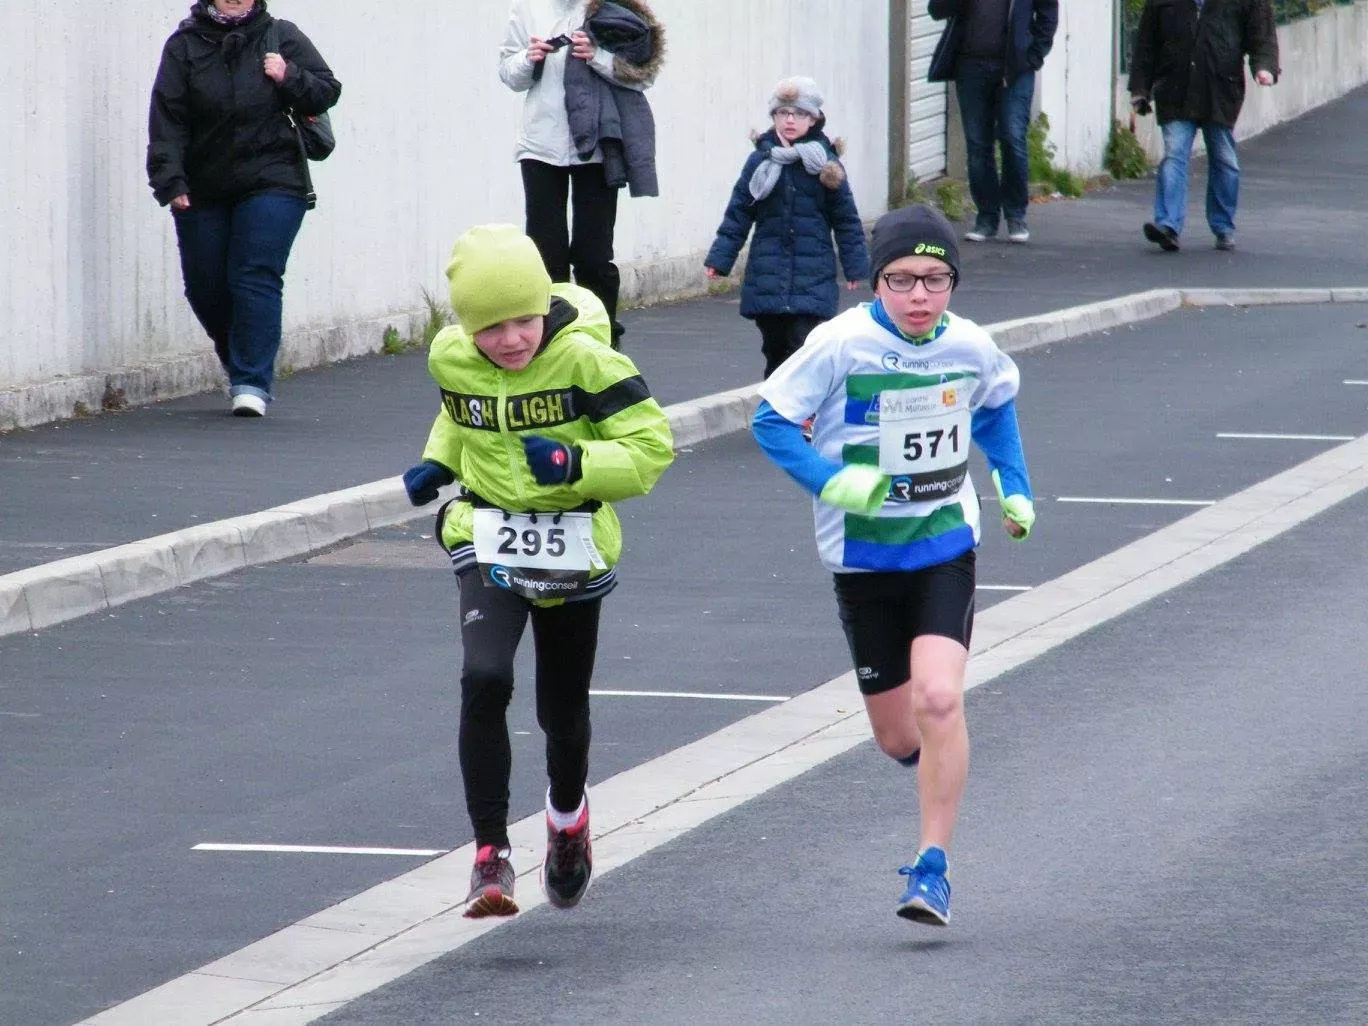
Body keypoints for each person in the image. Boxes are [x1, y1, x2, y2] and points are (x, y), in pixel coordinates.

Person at [750, 204, 1035, 926]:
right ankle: (936, 761)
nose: (918, 296)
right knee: (898, 736)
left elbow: (995, 408)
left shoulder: (970, 345)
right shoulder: (840, 344)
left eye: (935, 280)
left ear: (953, 284)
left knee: (939, 699)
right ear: (875, 282)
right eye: (901, 279)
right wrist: (830, 481)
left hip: (944, 543)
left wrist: (1015, 487)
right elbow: (770, 421)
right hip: (863, 557)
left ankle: (933, 866)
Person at [401, 224, 674, 918]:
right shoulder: (450, 357)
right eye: (491, 328)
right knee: (485, 676)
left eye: (523, 320)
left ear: (544, 306)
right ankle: (490, 854)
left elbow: (651, 448)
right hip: (487, 531)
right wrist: (439, 461)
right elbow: (463, 412)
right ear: (467, 328)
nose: (511, 340)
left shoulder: (589, 363)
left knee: (561, 708)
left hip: (573, 538)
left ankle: (567, 818)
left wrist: (575, 463)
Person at [147, 0, 341, 417]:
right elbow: (167, 119)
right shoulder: (184, 46)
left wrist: (288, 75)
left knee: (254, 273)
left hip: (274, 179)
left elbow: (327, 90)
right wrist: (170, 179)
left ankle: (251, 381)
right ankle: (240, 357)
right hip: (204, 185)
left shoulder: (281, 35)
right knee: (205, 286)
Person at [499, 0, 665, 350]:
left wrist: (597, 56)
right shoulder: (528, 8)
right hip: (540, 146)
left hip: (597, 147)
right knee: (546, 254)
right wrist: (529, 58)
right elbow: (509, 73)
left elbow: (645, 74)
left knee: (593, 256)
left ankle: (602, 343)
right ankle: (551, 343)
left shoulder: (614, 8)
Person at [704, 77, 871, 380]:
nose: (790, 120)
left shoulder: (826, 165)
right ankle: (777, 404)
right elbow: (739, 212)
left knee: (802, 348)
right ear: (774, 117)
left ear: (814, 119)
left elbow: (846, 219)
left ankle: (799, 406)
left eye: (799, 114)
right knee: (774, 348)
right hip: (768, 273)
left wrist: (855, 266)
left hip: (812, 275)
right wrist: (720, 258)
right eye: (783, 113)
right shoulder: (760, 161)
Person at [1129, 0, 1279, 253]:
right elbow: (1146, 42)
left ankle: (1223, 226)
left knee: (1224, 159)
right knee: (1174, 155)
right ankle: (1168, 225)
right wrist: (1139, 88)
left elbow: (1261, 33)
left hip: (1220, 89)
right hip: (1175, 88)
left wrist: (1264, 66)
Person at [928, 0, 1059, 244]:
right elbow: (937, 10)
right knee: (978, 145)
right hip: (971, 65)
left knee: (1012, 136)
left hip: (1015, 67)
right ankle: (987, 217)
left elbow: (1048, 12)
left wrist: (1034, 54)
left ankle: (1016, 215)